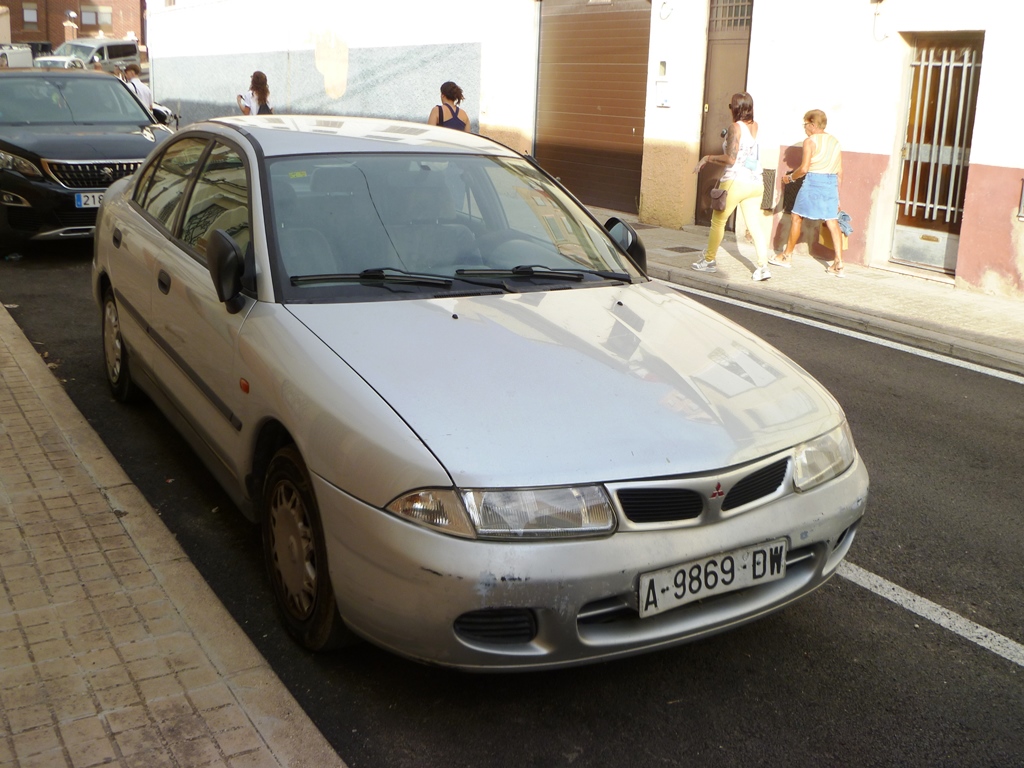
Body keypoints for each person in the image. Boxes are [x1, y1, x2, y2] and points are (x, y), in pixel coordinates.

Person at [691, 92, 771, 281]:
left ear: (735, 108)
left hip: (736, 181)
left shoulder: (735, 127)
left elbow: (731, 159)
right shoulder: (755, 126)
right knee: (755, 226)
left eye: (730, 106)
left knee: (718, 222)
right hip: (755, 182)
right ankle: (763, 267)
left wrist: (707, 158)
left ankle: (709, 261)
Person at [772, 109, 845, 277]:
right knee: (832, 220)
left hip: (813, 181)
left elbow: (804, 169)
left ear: (812, 124)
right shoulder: (835, 141)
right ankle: (839, 263)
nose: (804, 128)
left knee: (796, 216)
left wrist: (790, 178)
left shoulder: (810, 141)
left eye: (805, 124)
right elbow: (840, 171)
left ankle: (787, 256)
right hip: (831, 183)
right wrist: (838, 197)